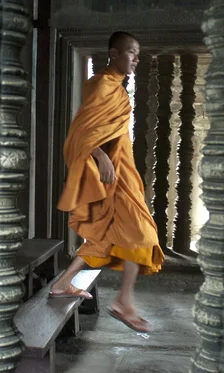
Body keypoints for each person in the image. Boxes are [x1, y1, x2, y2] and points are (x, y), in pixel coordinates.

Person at [49, 31, 164, 333]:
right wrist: (100, 157)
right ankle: (124, 302)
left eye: (138, 53)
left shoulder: (119, 90)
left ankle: (63, 283)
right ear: (113, 53)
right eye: (130, 52)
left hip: (123, 172)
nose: (136, 58)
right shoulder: (101, 85)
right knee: (143, 234)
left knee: (107, 236)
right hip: (109, 173)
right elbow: (81, 134)